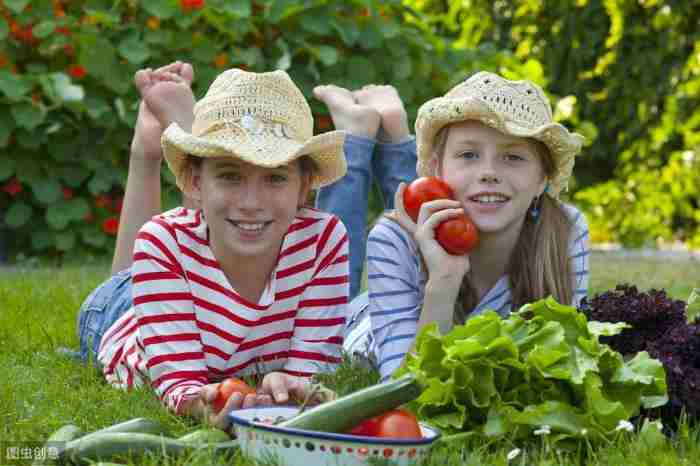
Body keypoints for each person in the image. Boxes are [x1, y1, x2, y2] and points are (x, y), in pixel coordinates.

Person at [77, 64, 350, 429]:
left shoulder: (324, 240)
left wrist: (296, 385)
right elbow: (180, 385)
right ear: (193, 181)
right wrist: (198, 402)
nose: (253, 200)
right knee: (138, 268)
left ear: (304, 188)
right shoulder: (160, 244)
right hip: (122, 316)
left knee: (218, 221)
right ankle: (147, 152)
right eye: (230, 174)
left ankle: (176, 141)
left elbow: (311, 370)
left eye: (275, 178)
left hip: (189, 273)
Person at [315, 72, 590, 381]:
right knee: (334, 281)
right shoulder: (392, 239)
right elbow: (407, 389)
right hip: (372, 324)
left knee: (447, 199)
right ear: (435, 169)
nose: (489, 172)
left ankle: (394, 133)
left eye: (513, 157)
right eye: (469, 154)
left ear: (543, 179)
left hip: (424, 262)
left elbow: (568, 364)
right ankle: (354, 136)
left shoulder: (566, 230)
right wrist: (443, 281)